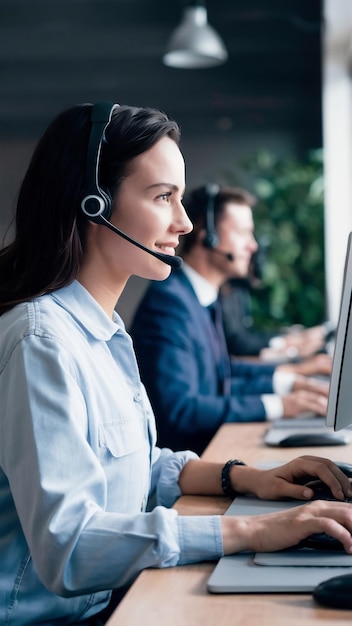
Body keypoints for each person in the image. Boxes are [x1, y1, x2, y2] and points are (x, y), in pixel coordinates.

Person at [1, 104, 351, 626]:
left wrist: (248, 479)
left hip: (106, 601)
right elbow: (69, 548)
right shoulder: (41, 343)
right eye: (163, 197)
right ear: (93, 203)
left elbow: (135, 464)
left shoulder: (102, 331)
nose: (185, 223)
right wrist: (253, 532)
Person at [131, 184, 332, 454]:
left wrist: (290, 383)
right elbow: (181, 409)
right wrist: (280, 405)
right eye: (242, 232)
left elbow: (222, 374)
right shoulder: (170, 305)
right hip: (188, 464)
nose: (253, 245)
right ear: (207, 235)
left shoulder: (199, 297)